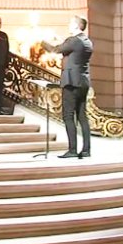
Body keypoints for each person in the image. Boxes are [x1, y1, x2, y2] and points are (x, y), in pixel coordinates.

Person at [41, 15, 93, 159]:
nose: (69, 25)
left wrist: (42, 41)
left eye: (71, 23)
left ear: (77, 25)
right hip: (83, 82)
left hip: (71, 82)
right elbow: (69, 49)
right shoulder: (86, 41)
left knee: (68, 116)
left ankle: (72, 150)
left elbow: (55, 49)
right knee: (82, 116)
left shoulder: (74, 41)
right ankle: (86, 150)